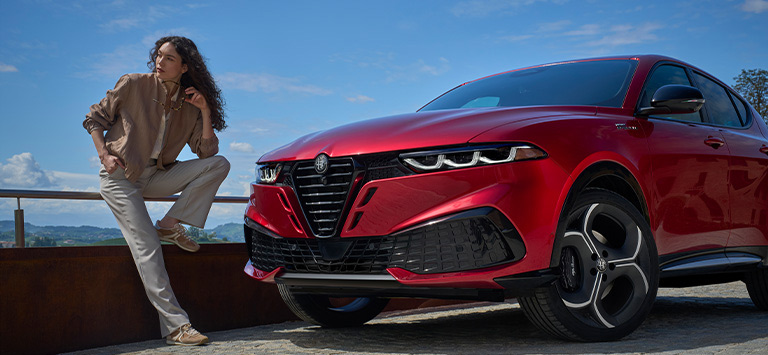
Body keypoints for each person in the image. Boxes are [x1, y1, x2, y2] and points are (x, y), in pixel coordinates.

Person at [83, 36, 230, 346]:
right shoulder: (134, 83)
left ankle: (169, 224)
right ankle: (177, 327)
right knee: (148, 247)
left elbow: (206, 153)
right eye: (158, 56)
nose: (159, 62)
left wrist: (203, 111)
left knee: (219, 164)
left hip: (156, 173)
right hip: (121, 175)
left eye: (169, 58)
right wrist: (104, 154)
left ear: (185, 67)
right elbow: (94, 119)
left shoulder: (188, 103)